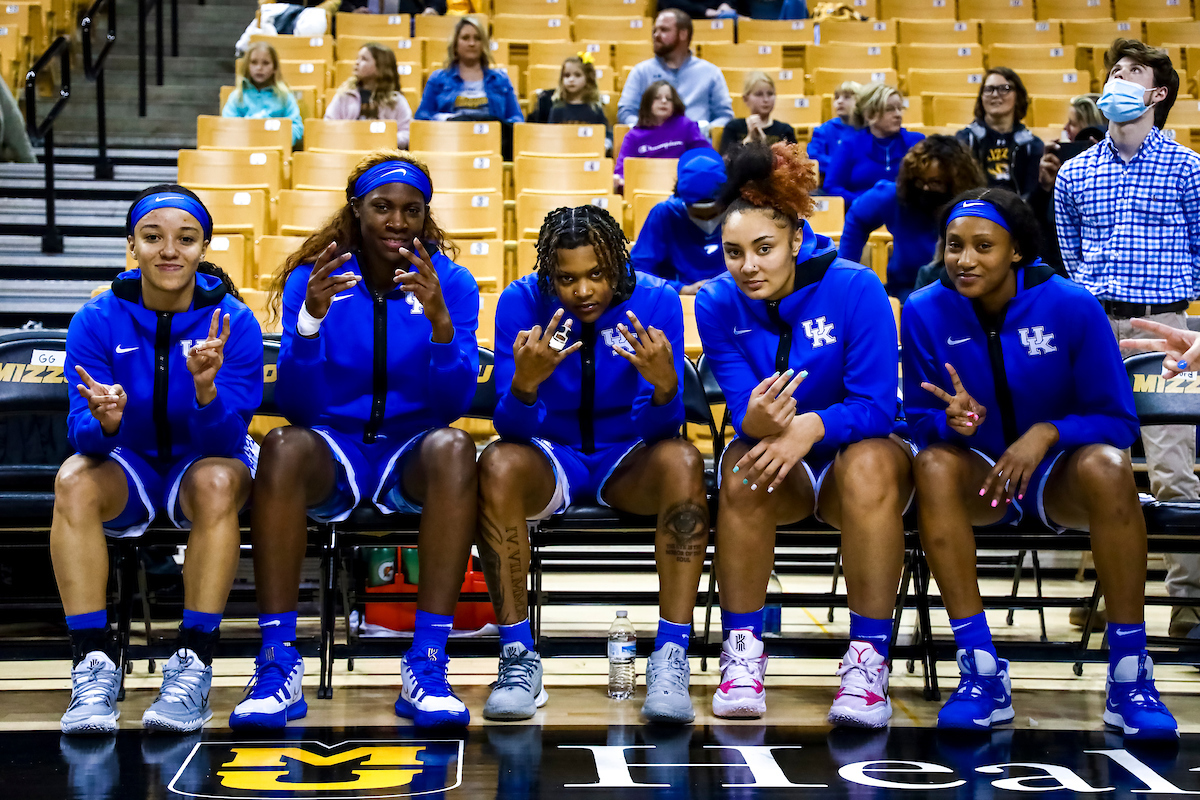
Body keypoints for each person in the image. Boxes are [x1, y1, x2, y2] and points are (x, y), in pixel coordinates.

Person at [902, 189, 1178, 741]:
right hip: (980, 476)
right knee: (931, 464)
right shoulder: (923, 309)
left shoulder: (1073, 305)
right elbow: (915, 418)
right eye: (955, 246)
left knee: (1108, 464)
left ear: (1017, 250)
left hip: (1058, 476)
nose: (965, 259)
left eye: (984, 246)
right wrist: (947, 423)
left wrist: (1049, 432)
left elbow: (1119, 421)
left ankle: (1130, 673)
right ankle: (979, 668)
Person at [229, 152, 481, 730]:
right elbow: (294, 404)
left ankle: (427, 663)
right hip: (335, 449)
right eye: (383, 207)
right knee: (282, 446)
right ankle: (276, 663)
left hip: (406, 453)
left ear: (426, 216)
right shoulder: (314, 279)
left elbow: (453, 408)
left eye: (412, 210)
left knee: (455, 447)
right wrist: (310, 323)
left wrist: (442, 325)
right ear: (357, 211)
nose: (398, 221)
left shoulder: (452, 283)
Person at [696, 142, 913, 727]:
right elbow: (746, 411)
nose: (749, 266)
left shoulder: (856, 286)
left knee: (871, 463)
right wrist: (762, 425)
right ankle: (742, 654)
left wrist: (808, 428)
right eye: (734, 252)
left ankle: (867, 662)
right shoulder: (716, 302)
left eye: (763, 249)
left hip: (854, 459)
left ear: (795, 238)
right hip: (777, 466)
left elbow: (877, 407)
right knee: (741, 469)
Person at [478, 205, 709, 725]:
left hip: (626, 457)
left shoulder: (657, 300)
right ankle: (517, 657)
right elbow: (510, 429)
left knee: (684, 462)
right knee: (495, 464)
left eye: (596, 275)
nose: (583, 291)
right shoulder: (519, 302)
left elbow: (661, 431)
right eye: (567, 278)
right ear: (547, 274)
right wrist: (524, 384)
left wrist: (667, 386)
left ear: (618, 265)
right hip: (550, 454)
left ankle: (670, 657)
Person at [55, 186, 263, 735]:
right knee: (73, 479)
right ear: (132, 245)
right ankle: (92, 666)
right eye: (153, 237)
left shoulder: (233, 322)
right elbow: (82, 437)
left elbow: (225, 441)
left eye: (185, 239)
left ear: (203, 247)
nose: (169, 250)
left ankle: (194, 663)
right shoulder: (96, 319)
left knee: (219, 480)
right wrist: (105, 422)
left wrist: (205, 391)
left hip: (204, 460)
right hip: (132, 462)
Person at [1055, 38, 1200, 640]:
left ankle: (1189, 599)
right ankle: (1113, 595)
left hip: (1166, 327)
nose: (1117, 79)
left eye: (1132, 72)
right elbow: (1069, 255)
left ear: (1158, 92)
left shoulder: (1189, 168)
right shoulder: (1074, 171)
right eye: (1113, 70)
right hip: (1097, 329)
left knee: (1172, 464)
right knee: (1097, 463)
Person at [838, 135, 985, 302]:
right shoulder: (894, 197)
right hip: (905, 294)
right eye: (919, 181)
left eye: (935, 182)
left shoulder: (974, 207)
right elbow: (858, 217)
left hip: (961, 297)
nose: (925, 188)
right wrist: (847, 272)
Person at [617, 9, 733, 137]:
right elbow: (626, 112)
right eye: (655, 30)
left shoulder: (710, 73)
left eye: (664, 30)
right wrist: (646, 131)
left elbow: (724, 116)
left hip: (695, 144)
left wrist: (703, 130)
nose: (656, 35)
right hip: (652, 146)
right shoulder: (641, 71)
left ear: (683, 34)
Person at [631, 148, 729, 294]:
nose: (707, 221)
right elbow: (639, 271)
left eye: (714, 214)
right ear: (683, 201)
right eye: (699, 215)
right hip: (679, 300)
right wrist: (681, 289)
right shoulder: (663, 214)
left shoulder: (739, 213)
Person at [824, 83, 923, 208]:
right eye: (889, 109)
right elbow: (832, 187)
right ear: (869, 114)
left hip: (907, 215)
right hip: (862, 217)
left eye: (899, 108)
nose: (898, 114)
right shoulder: (849, 145)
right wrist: (864, 203)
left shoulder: (916, 143)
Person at [414, 16, 523, 124]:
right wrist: (445, 120)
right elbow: (422, 118)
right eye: (465, 38)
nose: (472, 43)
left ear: (483, 45)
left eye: (477, 38)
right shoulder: (437, 79)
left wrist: (500, 126)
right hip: (449, 139)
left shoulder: (500, 79)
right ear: (455, 44)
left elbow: (517, 118)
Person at [955, 68, 1043, 196]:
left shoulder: (1032, 145)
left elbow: (1033, 195)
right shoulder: (966, 139)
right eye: (989, 89)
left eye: (1004, 88)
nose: (995, 94)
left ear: (1017, 95)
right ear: (981, 97)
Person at [615, 81, 713, 189]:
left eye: (669, 99)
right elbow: (621, 172)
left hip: (682, 187)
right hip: (645, 188)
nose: (664, 101)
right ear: (647, 103)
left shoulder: (686, 126)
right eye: (657, 98)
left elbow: (706, 155)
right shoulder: (633, 136)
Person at [325, 44, 413, 149]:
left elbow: (407, 133)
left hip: (382, 157)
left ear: (381, 66)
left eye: (364, 59)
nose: (357, 63)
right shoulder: (344, 96)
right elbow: (328, 126)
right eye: (357, 58)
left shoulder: (396, 101)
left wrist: (380, 141)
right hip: (348, 151)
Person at [222, 42, 304, 147]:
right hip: (242, 150)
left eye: (265, 63)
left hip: (275, 150)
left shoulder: (284, 96)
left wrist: (275, 135)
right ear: (247, 66)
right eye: (254, 62)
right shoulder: (237, 96)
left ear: (275, 68)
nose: (259, 68)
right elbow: (228, 126)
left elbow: (297, 127)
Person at [527, 54, 612, 152]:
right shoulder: (557, 108)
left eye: (577, 75)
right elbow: (550, 136)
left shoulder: (595, 109)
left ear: (588, 78)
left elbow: (605, 133)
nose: (571, 79)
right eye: (567, 75)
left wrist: (606, 143)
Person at [719, 72, 798, 156]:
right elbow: (727, 161)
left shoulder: (785, 130)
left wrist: (764, 143)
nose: (766, 99)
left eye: (770, 94)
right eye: (759, 94)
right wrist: (748, 140)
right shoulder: (733, 127)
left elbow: (795, 161)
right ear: (745, 99)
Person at [804, 81, 858, 183]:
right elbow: (814, 157)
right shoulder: (823, 130)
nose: (840, 101)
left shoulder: (868, 130)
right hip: (829, 183)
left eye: (847, 97)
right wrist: (843, 166)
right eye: (837, 97)